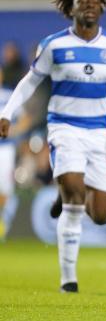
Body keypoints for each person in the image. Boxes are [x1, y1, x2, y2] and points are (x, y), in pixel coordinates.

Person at [0, 0, 106, 293]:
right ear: (71, 9)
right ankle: (69, 279)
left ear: (101, 7)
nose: (89, 6)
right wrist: (7, 114)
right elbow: (30, 82)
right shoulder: (55, 45)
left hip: (99, 133)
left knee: (102, 214)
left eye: (94, 1)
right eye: (82, 2)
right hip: (64, 127)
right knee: (76, 197)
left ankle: (64, 199)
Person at [0, 69, 32, 240]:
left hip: (5, 148)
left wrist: (14, 131)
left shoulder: (8, 95)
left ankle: (3, 224)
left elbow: (26, 119)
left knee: (5, 188)